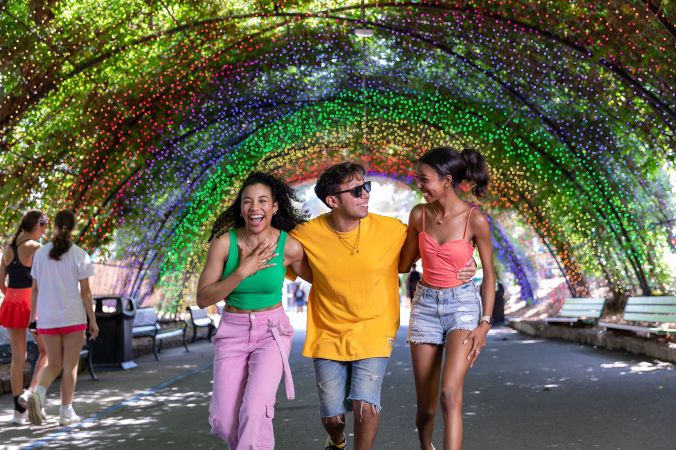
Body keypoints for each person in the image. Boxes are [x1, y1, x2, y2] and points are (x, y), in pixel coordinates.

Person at [287, 162, 476, 450]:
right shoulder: (305, 234)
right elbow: (281, 256)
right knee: (332, 415)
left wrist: (467, 259)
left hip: (374, 328)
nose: (365, 194)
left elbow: (433, 243)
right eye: (356, 190)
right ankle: (336, 440)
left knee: (366, 403)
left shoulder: (391, 229)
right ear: (332, 201)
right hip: (328, 332)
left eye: (366, 186)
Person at [196, 172, 309, 449]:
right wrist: (242, 272)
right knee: (224, 421)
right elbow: (203, 298)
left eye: (262, 201)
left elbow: (323, 280)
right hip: (232, 332)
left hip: (271, 333)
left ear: (274, 207)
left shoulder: (290, 247)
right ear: (241, 208)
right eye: (247, 202)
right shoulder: (224, 245)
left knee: (254, 412)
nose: (254, 207)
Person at [399, 146, 496, 450]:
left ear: (446, 180)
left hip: (463, 307)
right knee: (426, 408)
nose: (419, 185)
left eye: (424, 179)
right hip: (426, 305)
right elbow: (403, 264)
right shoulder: (419, 215)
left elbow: (490, 276)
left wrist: (485, 323)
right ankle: (426, 445)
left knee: (450, 394)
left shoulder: (474, 219)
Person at [27, 209, 99, 426]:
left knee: (54, 363)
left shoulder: (40, 254)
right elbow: (86, 293)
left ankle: (38, 392)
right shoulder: (80, 254)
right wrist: (93, 321)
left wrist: (33, 319)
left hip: (47, 319)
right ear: (73, 228)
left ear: (55, 227)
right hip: (72, 318)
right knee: (70, 366)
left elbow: (35, 289)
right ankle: (65, 412)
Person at [0, 210, 50, 425]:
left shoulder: (7, 248)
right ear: (37, 226)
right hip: (31, 305)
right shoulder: (33, 246)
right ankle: (29, 394)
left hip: (11, 302)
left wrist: (12, 295)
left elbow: (1, 282)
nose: (42, 236)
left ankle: (18, 411)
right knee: (46, 351)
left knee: (17, 358)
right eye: (42, 230)